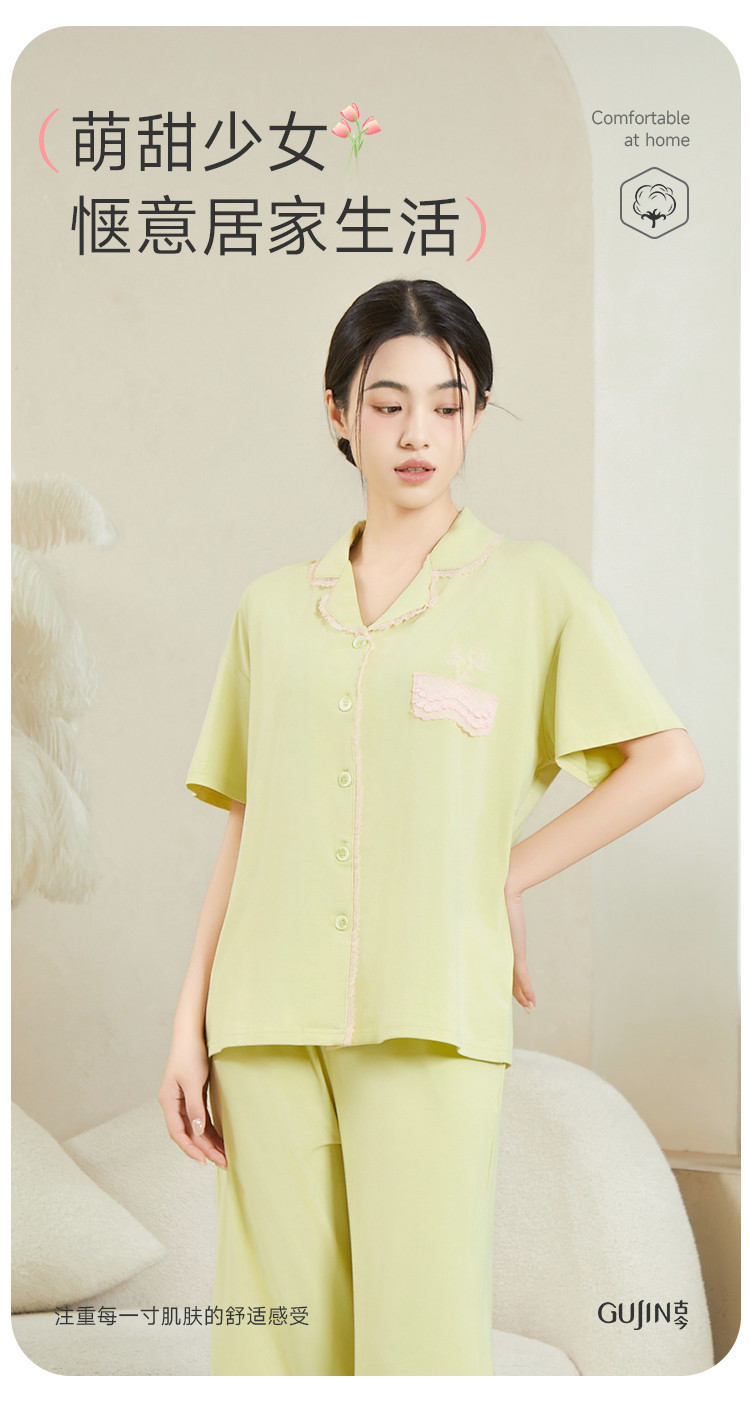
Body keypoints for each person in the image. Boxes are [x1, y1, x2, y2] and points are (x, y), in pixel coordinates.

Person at [158, 278, 704, 1377]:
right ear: (337, 411)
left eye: (447, 405)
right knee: (272, 1347)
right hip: (262, 1016)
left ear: (476, 416)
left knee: (422, 1345)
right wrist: (188, 1023)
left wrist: (505, 873)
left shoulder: (530, 589)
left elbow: (668, 762)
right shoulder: (273, 609)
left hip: (431, 1007)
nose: (418, 433)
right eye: (388, 402)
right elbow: (248, 823)